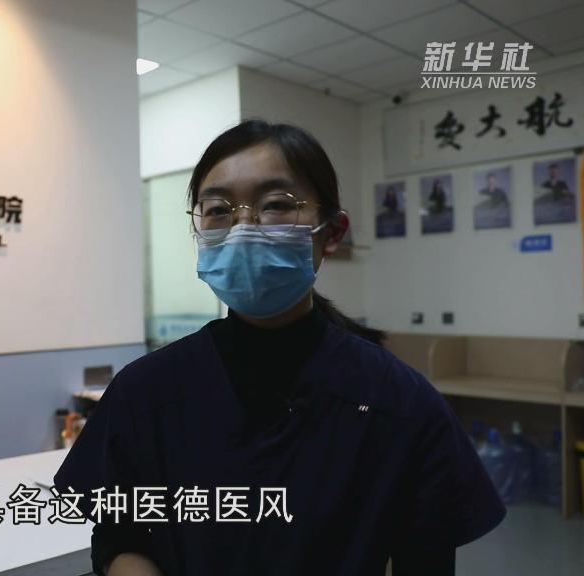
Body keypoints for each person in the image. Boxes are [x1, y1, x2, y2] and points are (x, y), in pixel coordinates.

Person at [53, 119, 506, 576]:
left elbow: (425, 561)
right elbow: (118, 538)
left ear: (332, 232)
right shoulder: (145, 391)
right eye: (217, 209)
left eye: (275, 205)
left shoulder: (401, 404)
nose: (243, 228)